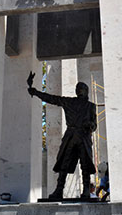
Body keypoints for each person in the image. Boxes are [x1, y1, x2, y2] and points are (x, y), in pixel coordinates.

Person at [27, 71, 97, 200]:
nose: (79, 91)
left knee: (85, 164)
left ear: (86, 91)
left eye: (81, 89)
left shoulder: (91, 106)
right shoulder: (69, 102)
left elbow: (94, 125)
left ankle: (86, 190)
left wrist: (90, 125)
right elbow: (52, 99)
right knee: (64, 164)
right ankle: (59, 191)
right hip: (70, 137)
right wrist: (35, 92)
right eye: (78, 89)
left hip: (83, 137)